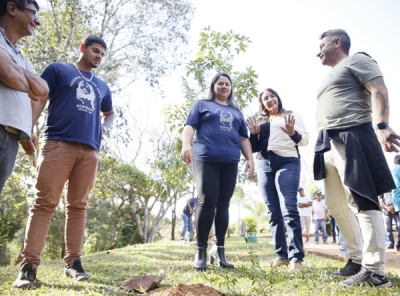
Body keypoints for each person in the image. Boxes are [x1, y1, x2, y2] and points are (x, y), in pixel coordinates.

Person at [13, 35, 115, 288]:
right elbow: (38, 98)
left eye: (102, 53)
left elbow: (109, 112)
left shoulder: (102, 86)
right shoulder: (58, 70)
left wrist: (105, 128)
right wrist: (27, 129)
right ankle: (28, 267)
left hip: (90, 151)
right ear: (82, 48)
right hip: (58, 144)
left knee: (78, 206)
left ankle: (73, 263)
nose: (99, 56)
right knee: (44, 203)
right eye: (95, 50)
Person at [314, 28, 400, 287]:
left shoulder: (357, 60)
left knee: (363, 201)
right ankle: (355, 259)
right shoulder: (330, 75)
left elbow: (378, 88)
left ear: (337, 43)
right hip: (327, 143)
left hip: (352, 135)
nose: (317, 51)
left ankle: (375, 271)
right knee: (338, 206)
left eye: (322, 45)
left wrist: (382, 125)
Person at [181, 72, 254, 271]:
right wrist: (186, 144)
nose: (224, 87)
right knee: (206, 200)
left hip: (230, 159)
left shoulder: (237, 112)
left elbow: (243, 138)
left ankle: (219, 250)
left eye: (227, 84)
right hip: (206, 157)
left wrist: (250, 159)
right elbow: (190, 126)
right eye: (220, 83)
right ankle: (201, 250)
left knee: (223, 204)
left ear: (231, 89)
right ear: (213, 86)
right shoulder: (201, 105)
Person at [246, 88, 309, 272]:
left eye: (272, 96)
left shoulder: (290, 115)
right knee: (273, 211)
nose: (269, 100)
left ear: (277, 98)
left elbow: (304, 140)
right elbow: (255, 147)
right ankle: (281, 255)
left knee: (289, 208)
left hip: (287, 162)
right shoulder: (260, 121)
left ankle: (296, 258)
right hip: (264, 164)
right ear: (262, 103)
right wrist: (254, 133)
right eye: (265, 98)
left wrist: (292, 132)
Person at [0, 0, 48, 195]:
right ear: (12, 9)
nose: (37, 22)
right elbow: (8, 74)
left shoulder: (22, 58)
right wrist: (29, 84)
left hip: (10, 137)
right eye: (33, 14)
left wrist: (27, 129)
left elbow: (43, 91)